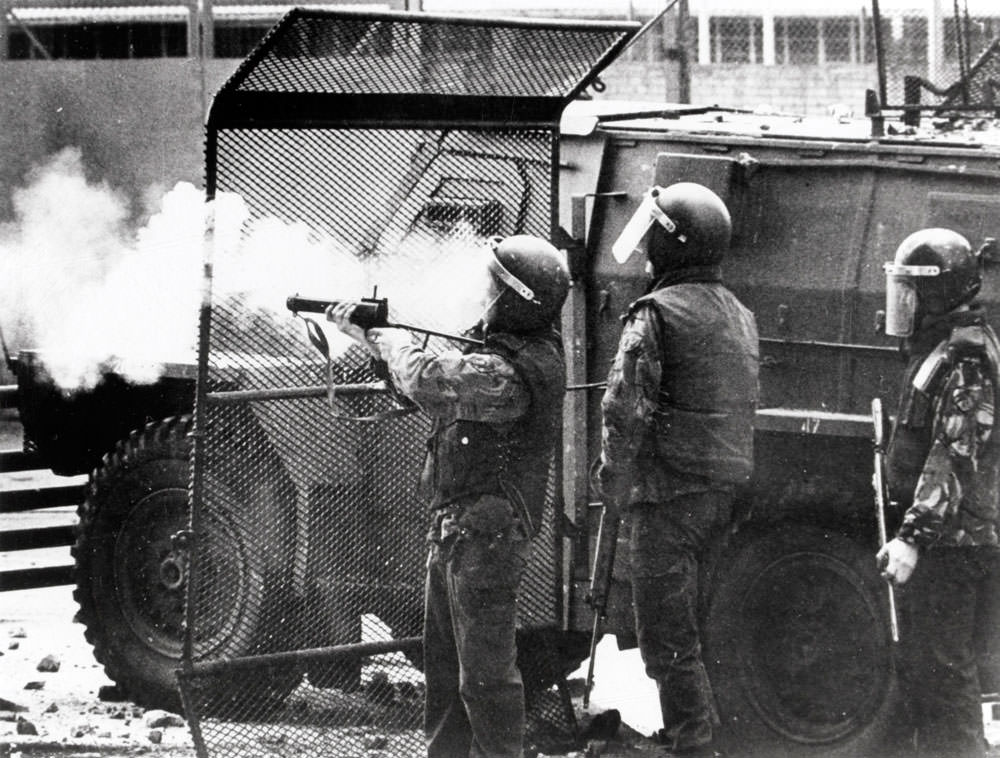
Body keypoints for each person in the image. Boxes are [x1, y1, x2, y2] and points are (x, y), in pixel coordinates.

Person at [327, 234, 569, 758]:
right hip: (461, 530)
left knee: (483, 676)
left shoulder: (511, 371)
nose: (482, 294)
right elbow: (429, 382)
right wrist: (374, 339)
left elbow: (430, 380)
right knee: (445, 668)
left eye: (493, 288)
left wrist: (388, 340)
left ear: (514, 300)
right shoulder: (508, 349)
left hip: (483, 536)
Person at [596, 182, 759, 757]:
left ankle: (693, 748)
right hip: (719, 497)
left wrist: (611, 479)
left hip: (665, 499)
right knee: (699, 632)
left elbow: (624, 407)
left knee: (667, 641)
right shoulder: (738, 313)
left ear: (671, 244)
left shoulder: (655, 313)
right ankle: (703, 738)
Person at [878, 227, 1000, 758]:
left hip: (957, 545)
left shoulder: (967, 359)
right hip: (950, 542)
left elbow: (954, 452)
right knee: (931, 674)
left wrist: (912, 537)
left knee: (947, 679)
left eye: (910, 289)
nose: (902, 302)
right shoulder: (948, 350)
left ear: (937, 291)